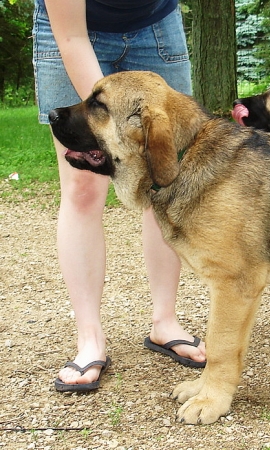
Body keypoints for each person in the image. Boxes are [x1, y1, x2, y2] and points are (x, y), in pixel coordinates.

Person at [33, 0, 206, 392]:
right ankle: (90, 338)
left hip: (156, 27)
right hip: (75, 32)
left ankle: (166, 322)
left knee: (163, 179)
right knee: (82, 188)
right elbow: (72, 34)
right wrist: (103, 117)